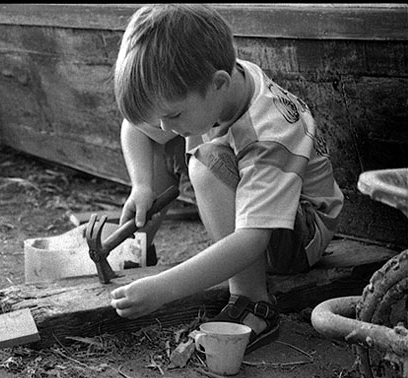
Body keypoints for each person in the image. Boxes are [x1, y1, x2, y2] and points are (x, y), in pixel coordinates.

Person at [109, 4, 344, 353]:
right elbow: (136, 127)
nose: (163, 126)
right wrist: (142, 185)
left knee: (206, 164)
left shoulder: (267, 136)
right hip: (265, 212)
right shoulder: (214, 83)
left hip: (299, 233)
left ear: (219, 83)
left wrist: (165, 289)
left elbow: (251, 240)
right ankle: (138, 249)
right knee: (173, 140)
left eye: (172, 113)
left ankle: (252, 300)